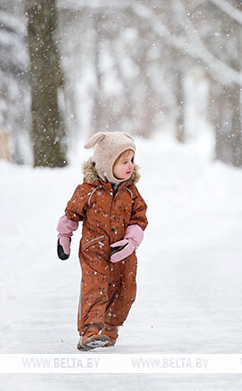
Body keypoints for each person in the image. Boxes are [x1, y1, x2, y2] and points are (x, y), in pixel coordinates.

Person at [56, 131, 148, 350]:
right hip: (94, 249)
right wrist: (64, 236)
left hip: (122, 252)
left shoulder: (132, 192)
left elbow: (140, 218)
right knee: (95, 287)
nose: (130, 166)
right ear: (107, 164)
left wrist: (131, 241)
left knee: (125, 289)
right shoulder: (88, 190)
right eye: (124, 161)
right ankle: (89, 331)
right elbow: (71, 214)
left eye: (132, 160)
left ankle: (109, 329)